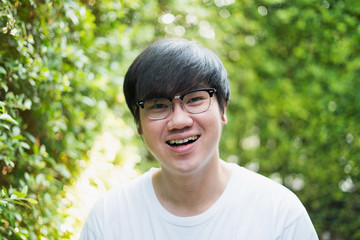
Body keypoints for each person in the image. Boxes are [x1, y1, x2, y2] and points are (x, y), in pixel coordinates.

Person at [80, 38, 318, 239]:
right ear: (139, 123)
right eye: (159, 105)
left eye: (195, 99)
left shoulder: (279, 213)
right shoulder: (109, 217)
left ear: (223, 108)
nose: (179, 121)